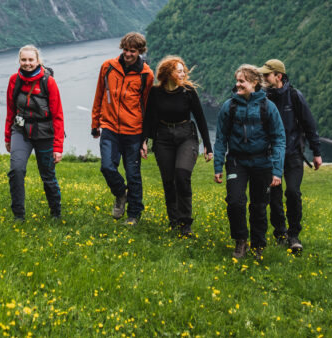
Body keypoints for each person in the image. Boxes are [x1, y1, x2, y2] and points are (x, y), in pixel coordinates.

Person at [213, 64, 285, 259]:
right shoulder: (230, 106)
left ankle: (258, 245)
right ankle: (240, 241)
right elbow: (220, 139)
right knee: (235, 202)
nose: (237, 84)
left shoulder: (268, 107)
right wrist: (218, 166)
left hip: (262, 162)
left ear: (254, 82)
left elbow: (279, 139)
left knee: (259, 205)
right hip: (237, 161)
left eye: (241, 81)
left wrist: (277, 171)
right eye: (237, 80)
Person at [142, 56, 212, 237]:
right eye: (178, 71)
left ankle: (185, 223)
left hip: (186, 136)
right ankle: (174, 221)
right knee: (168, 181)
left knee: (182, 175)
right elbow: (149, 118)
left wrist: (208, 145)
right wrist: (144, 141)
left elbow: (201, 118)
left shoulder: (188, 91)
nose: (182, 74)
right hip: (163, 137)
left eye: (183, 70)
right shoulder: (156, 92)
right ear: (168, 73)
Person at [259, 59, 322, 254]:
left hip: (293, 153)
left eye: (267, 75)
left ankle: (294, 234)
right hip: (270, 156)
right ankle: (280, 233)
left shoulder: (294, 96)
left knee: (293, 192)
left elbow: (309, 125)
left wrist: (317, 153)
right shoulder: (262, 97)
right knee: (274, 197)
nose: (263, 78)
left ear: (278, 76)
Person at [91, 32, 154, 224]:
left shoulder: (146, 75)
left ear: (140, 51)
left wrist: (145, 137)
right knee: (107, 167)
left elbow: (147, 107)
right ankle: (121, 194)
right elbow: (99, 95)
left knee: (133, 174)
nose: (127, 54)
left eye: (132, 51)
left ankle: (134, 214)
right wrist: (95, 123)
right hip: (109, 127)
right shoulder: (108, 67)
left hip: (133, 131)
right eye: (125, 50)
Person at [5, 44, 64, 221]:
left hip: (45, 133)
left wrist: (58, 146)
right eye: (24, 60)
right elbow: (10, 110)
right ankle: (18, 215)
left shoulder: (48, 82)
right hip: (21, 130)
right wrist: (8, 137)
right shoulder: (14, 80)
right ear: (19, 61)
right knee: (16, 170)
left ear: (38, 61)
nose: (27, 63)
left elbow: (58, 115)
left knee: (47, 175)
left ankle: (55, 212)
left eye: (31, 60)